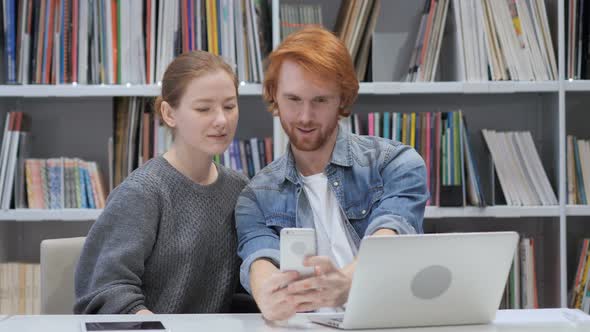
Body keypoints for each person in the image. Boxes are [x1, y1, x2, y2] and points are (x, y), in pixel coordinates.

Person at [235, 27, 429, 321]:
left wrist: (348, 283)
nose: (305, 117)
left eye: (320, 100)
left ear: (343, 98)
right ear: (274, 94)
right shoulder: (255, 196)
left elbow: (391, 232)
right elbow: (258, 257)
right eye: (293, 99)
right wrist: (265, 291)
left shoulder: (396, 163)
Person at [74, 51, 249, 314]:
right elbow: (104, 289)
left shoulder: (241, 190)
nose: (221, 120)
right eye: (204, 108)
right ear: (169, 114)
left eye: (230, 106)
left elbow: (241, 292)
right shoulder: (142, 193)